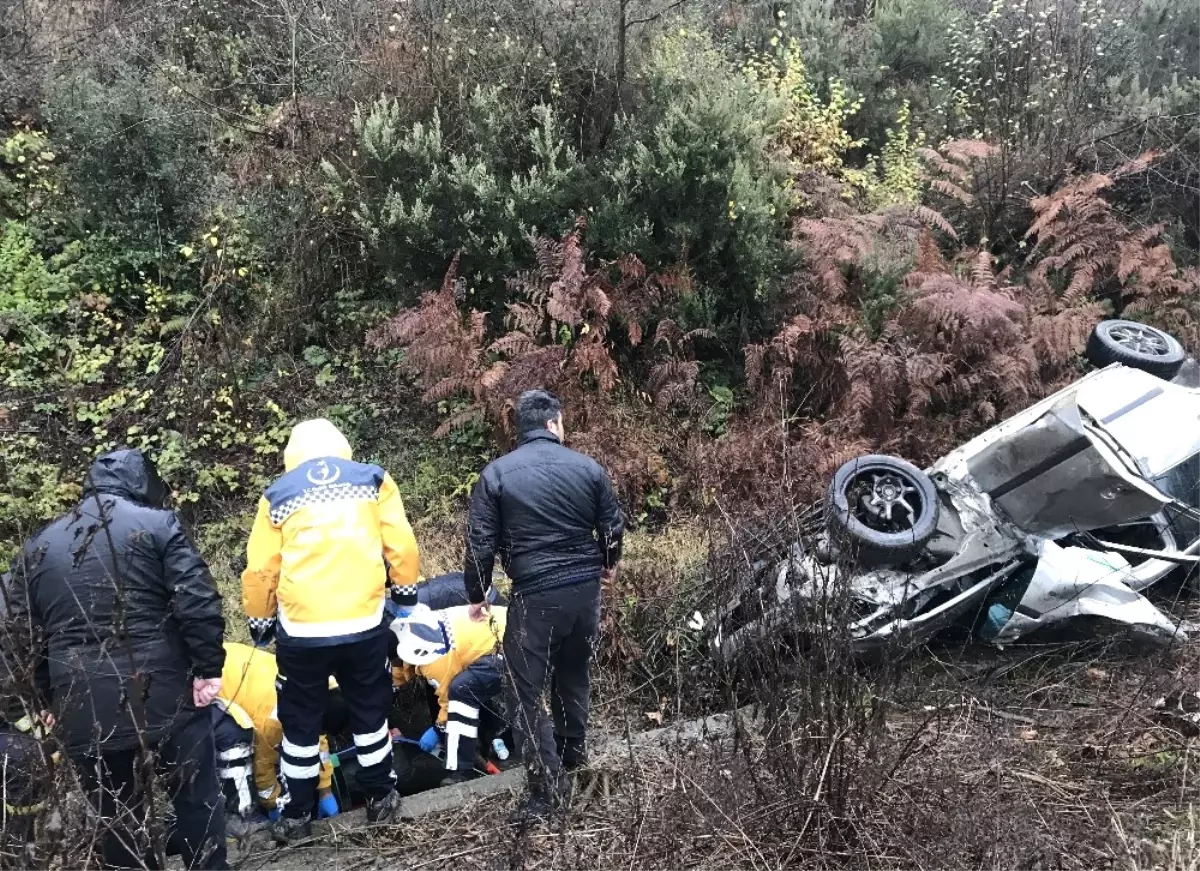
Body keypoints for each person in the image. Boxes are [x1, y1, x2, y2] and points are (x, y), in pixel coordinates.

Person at [2, 448, 229, 870]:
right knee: (195, 798)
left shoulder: (38, 545)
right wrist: (207, 670)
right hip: (166, 694)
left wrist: (40, 700)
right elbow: (195, 600)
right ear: (145, 484)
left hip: (82, 704)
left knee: (116, 819)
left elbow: (16, 632)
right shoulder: (160, 525)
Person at [242, 419, 419, 843]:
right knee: (369, 713)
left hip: (302, 633)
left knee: (300, 725)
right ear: (342, 446)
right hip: (364, 625)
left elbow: (261, 570)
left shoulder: (278, 495)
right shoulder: (373, 480)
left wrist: (262, 624)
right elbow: (402, 544)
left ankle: (298, 815)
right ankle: (380, 797)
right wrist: (406, 598)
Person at [461, 389, 624, 818]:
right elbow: (612, 526)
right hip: (585, 592)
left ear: (523, 429)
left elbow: (480, 543)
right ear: (553, 424)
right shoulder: (588, 469)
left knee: (523, 690)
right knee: (573, 672)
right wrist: (608, 565)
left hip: (535, 596)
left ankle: (548, 792)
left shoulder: (496, 475)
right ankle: (573, 755)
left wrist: (477, 595)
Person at [213, 642, 344, 826]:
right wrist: (273, 805)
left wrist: (325, 790)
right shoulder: (274, 719)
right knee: (236, 737)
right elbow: (263, 766)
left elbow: (318, 740)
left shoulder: (323, 691)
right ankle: (239, 817)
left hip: (238, 665)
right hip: (206, 681)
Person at [389, 605, 508, 783]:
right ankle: (490, 737)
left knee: (461, 692)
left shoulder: (433, 656)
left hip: (512, 645)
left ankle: (461, 773)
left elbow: (449, 701)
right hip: (508, 630)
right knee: (469, 685)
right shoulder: (418, 631)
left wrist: (437, 729)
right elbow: (401, 670)